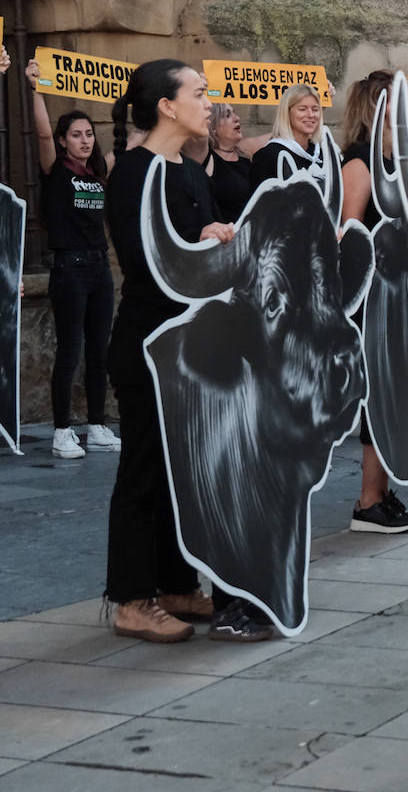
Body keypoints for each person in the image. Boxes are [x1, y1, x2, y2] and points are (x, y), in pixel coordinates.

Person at [102, 59, 232, 642]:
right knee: (144, 470)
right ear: (166, 106)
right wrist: (198, 245)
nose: (211, 103)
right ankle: (130, 598)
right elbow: (146, 262)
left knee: (180, 472)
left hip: (188, 345)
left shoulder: (189, 169)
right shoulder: (134, 173)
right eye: (200, 94)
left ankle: (175, 584)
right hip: (147, 344)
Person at [340, 70, 408, 535]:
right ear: (379, 110)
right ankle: (367, 501)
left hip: (399, 296)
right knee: (379, 397)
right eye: (402, 103)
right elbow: (350, 231)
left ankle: (384, 492)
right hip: (373, 299)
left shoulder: (395, 162)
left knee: (396, 396)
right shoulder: (360, 162)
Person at [24, 59, 122, 460]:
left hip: (99, 267)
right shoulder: (56, 171)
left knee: (100, 350)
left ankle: (96, 424)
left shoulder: (99, 171)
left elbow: (128, 145)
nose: (84, 140)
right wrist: (35, 88)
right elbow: (42, 133)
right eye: (76, 135)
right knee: (70, 350)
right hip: (69, 267)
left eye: (87, 135)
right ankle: (62, 430)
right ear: (64, 141)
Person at [249, 83, 325, 188]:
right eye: (302, 109)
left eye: (315, 109)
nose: (311, 115)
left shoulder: (322, 154)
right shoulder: (268, 156)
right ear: (287, 112)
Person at [202, 103, 262, 223]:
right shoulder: (207, 158)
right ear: (213, 126)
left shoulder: (245, 160)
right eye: (227, 115)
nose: (237, 118)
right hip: (224, 236)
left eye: (235, 113)